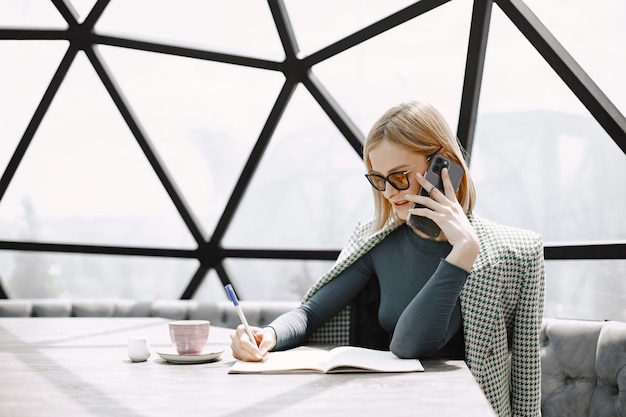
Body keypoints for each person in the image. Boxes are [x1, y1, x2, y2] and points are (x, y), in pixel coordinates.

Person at [230, 101, 545, 417]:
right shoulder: (375, 240)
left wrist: (463, 249)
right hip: (387, 406)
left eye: (399, 176)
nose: (389, 193)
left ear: (444, 165)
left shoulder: (519, 252)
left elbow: (526, 371)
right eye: (378, 179)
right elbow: (313, 313)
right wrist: (267, 335)